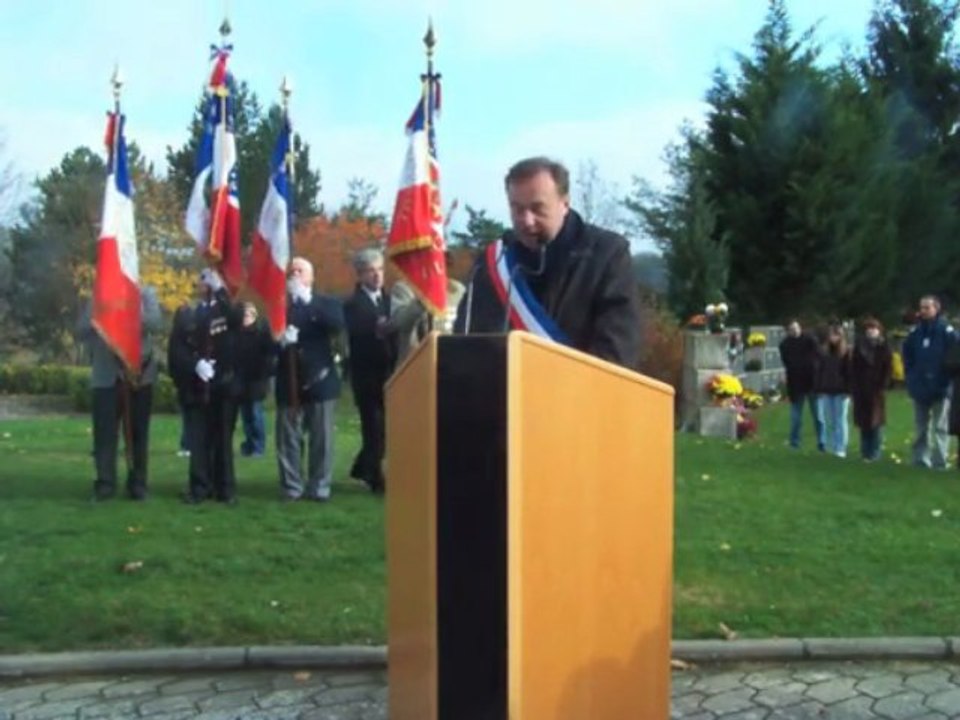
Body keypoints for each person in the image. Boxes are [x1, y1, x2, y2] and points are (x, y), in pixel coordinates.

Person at [453, 156, 641, 369]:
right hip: (499, 396)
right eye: (517, 209)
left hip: (578, 397)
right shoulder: (492, 263)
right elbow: (464, 343)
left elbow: (617, 354)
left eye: (538, 209)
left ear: (565, 204)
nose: (527, 220)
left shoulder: (607, 255)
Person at [77, 286, 162, 501]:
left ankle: (138, 484)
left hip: (139, 375)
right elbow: (81, 329)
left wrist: (126, 310)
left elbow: (155, 323)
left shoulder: (146, 293)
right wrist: (104, 313)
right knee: (105, 435)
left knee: (138, 434)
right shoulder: (100, 293)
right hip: (106, 376)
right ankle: (105, 484)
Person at [167, 268, 243, 504]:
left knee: (222, 439)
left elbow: (235, 319)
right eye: (202, 279)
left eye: (210, 279)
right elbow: (176, 349)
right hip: (197, 385)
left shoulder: (228, 307)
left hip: (223, 384)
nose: (205, 284)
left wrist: (221, 289)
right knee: (198, 439)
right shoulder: (186, 313)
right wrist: (195, 364)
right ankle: (199, 488)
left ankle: (225, 489)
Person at [276, 257, 345, 502]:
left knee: (321, 439)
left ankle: (319, 487)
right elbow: (265, 341)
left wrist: (307, 302)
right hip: (289, 379)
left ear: (311, 277)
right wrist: (280, 341)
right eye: (291, 271)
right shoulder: (280, 307)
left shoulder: (326, 303)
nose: (295, 274)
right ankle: (292, 487)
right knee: (288, 439)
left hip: (320, 379)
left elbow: (336, 325)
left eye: (300, 270)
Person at [344, 248, 397, 493]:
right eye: (370, 271)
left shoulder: (390, 300)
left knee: (387, 427)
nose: (377, 276)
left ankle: (363, 467)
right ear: (360, 275)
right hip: (367, 374)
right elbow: (359, 334)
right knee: (374, 427)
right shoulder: (353, 304)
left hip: (391, 372)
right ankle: (375, 478)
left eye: (380, 270)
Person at [902, 295, 954, 469]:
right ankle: (919, 459)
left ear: (936, 309)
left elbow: (954, 355)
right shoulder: (915, 333)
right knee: (920, 426)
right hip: (920, 387)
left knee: (940, 426)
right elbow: (907, 356)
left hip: (941, 385)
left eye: (927, 307)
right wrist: (911, 377)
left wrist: (947, 378)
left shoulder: (946, 331)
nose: (923, 311)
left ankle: (939, 461)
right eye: (921, 307)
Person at [389, 255, 466, 364]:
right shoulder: (404, 288)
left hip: (451, 361)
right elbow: (398, 322)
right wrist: (423, 297)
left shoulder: (458, 289)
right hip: (416, 365)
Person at [778, 319, 825, 451]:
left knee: (818, 416)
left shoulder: (810, 340)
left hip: (812, 383)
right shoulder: (784, 345)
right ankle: (794, 442)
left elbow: (820, 356)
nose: (795, 330)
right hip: (795, 384)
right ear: (788, 331)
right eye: (791, 329)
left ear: (800, 328)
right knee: (795, 418)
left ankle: (822, 441)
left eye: (796, 328)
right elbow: (786, 362)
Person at [850, 318, 893, 461]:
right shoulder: (859, 346)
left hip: (876, 389)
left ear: (879, 330)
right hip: (861, 388)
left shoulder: (884, 347)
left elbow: (888, 368)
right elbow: (853, 367)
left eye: (873, 328)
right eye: (868, 329)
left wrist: (882, 385)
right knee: (864, 423)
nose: (871, 331)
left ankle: (875, 452)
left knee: (876, 422)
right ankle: (865, 452)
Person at [236, 302, 272, 457]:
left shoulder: (260, 332)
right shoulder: (238, 333)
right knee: (246, 415)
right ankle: (249, 444)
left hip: (257, 379)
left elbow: (266, 356)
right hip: (242, 378)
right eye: (244, 314)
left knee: (255, 413)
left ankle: (258, 445)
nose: (246, 318)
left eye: (249, 314)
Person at [814, 324, 852, 458]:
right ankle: (833, 446)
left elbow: (850, 373)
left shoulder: (846, 352)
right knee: (830, 420)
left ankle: (841, 447)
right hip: (826, 389)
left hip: (841, 391)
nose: (833, 338)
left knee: (840, 420)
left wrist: (848, 390)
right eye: (831, 335)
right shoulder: (824, 352)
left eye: (836, 335)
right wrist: (819, 388)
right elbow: (819, 371)